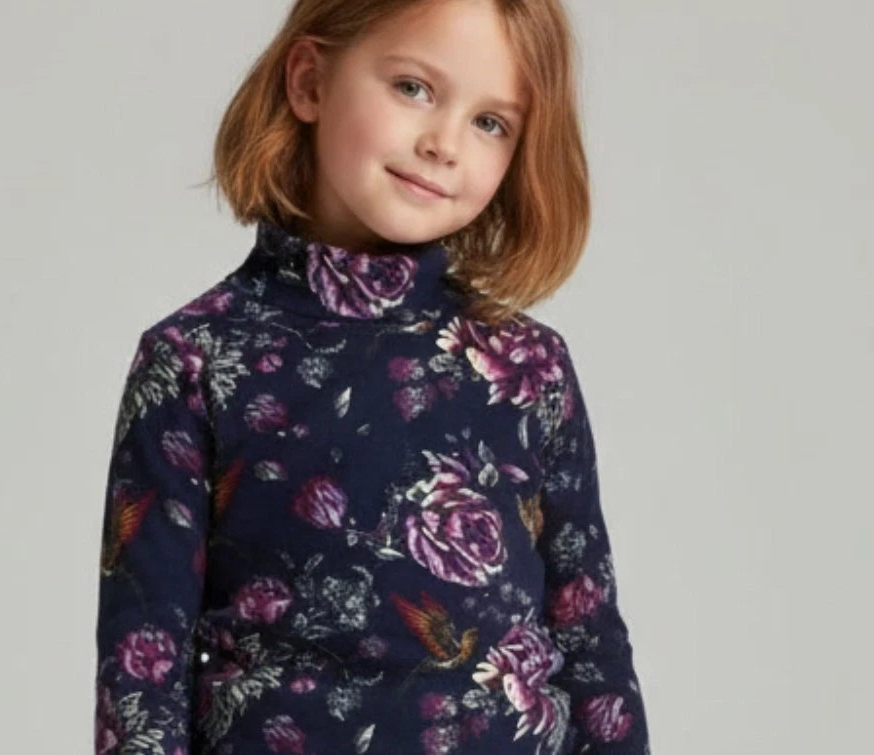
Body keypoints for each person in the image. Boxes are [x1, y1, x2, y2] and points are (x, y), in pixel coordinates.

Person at [93, 0, 651, 752]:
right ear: (309, 81)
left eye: (491, 122)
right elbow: (142, 678)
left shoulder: (528, 369)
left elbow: (590, 638)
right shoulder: (196, 360)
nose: (443, 143)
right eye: (413, 88)